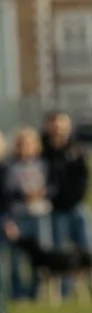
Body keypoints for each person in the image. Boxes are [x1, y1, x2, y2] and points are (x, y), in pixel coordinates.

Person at [41, 113, 92, 300]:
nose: (58, 129)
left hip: (78, 206)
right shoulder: (43, 151)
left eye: (62, 125)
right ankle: (64, 292)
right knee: (60, 252)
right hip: (56, 209)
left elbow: (85, 176)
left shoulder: (76, 149)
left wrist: (78, 197)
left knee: (89, 248)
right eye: (55, 125)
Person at [3, 128, 49, 300]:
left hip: (39, 214)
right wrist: (22, 194)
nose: (25, 147)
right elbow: (5, 193)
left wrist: (43, 192)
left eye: (29, 143)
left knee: (40, 256)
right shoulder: (9, 166)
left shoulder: (42, 164)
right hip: (17, 214)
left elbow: (51, 185)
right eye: (22, 143)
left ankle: (37, 291)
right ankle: (17, 292)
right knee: (15, 256)